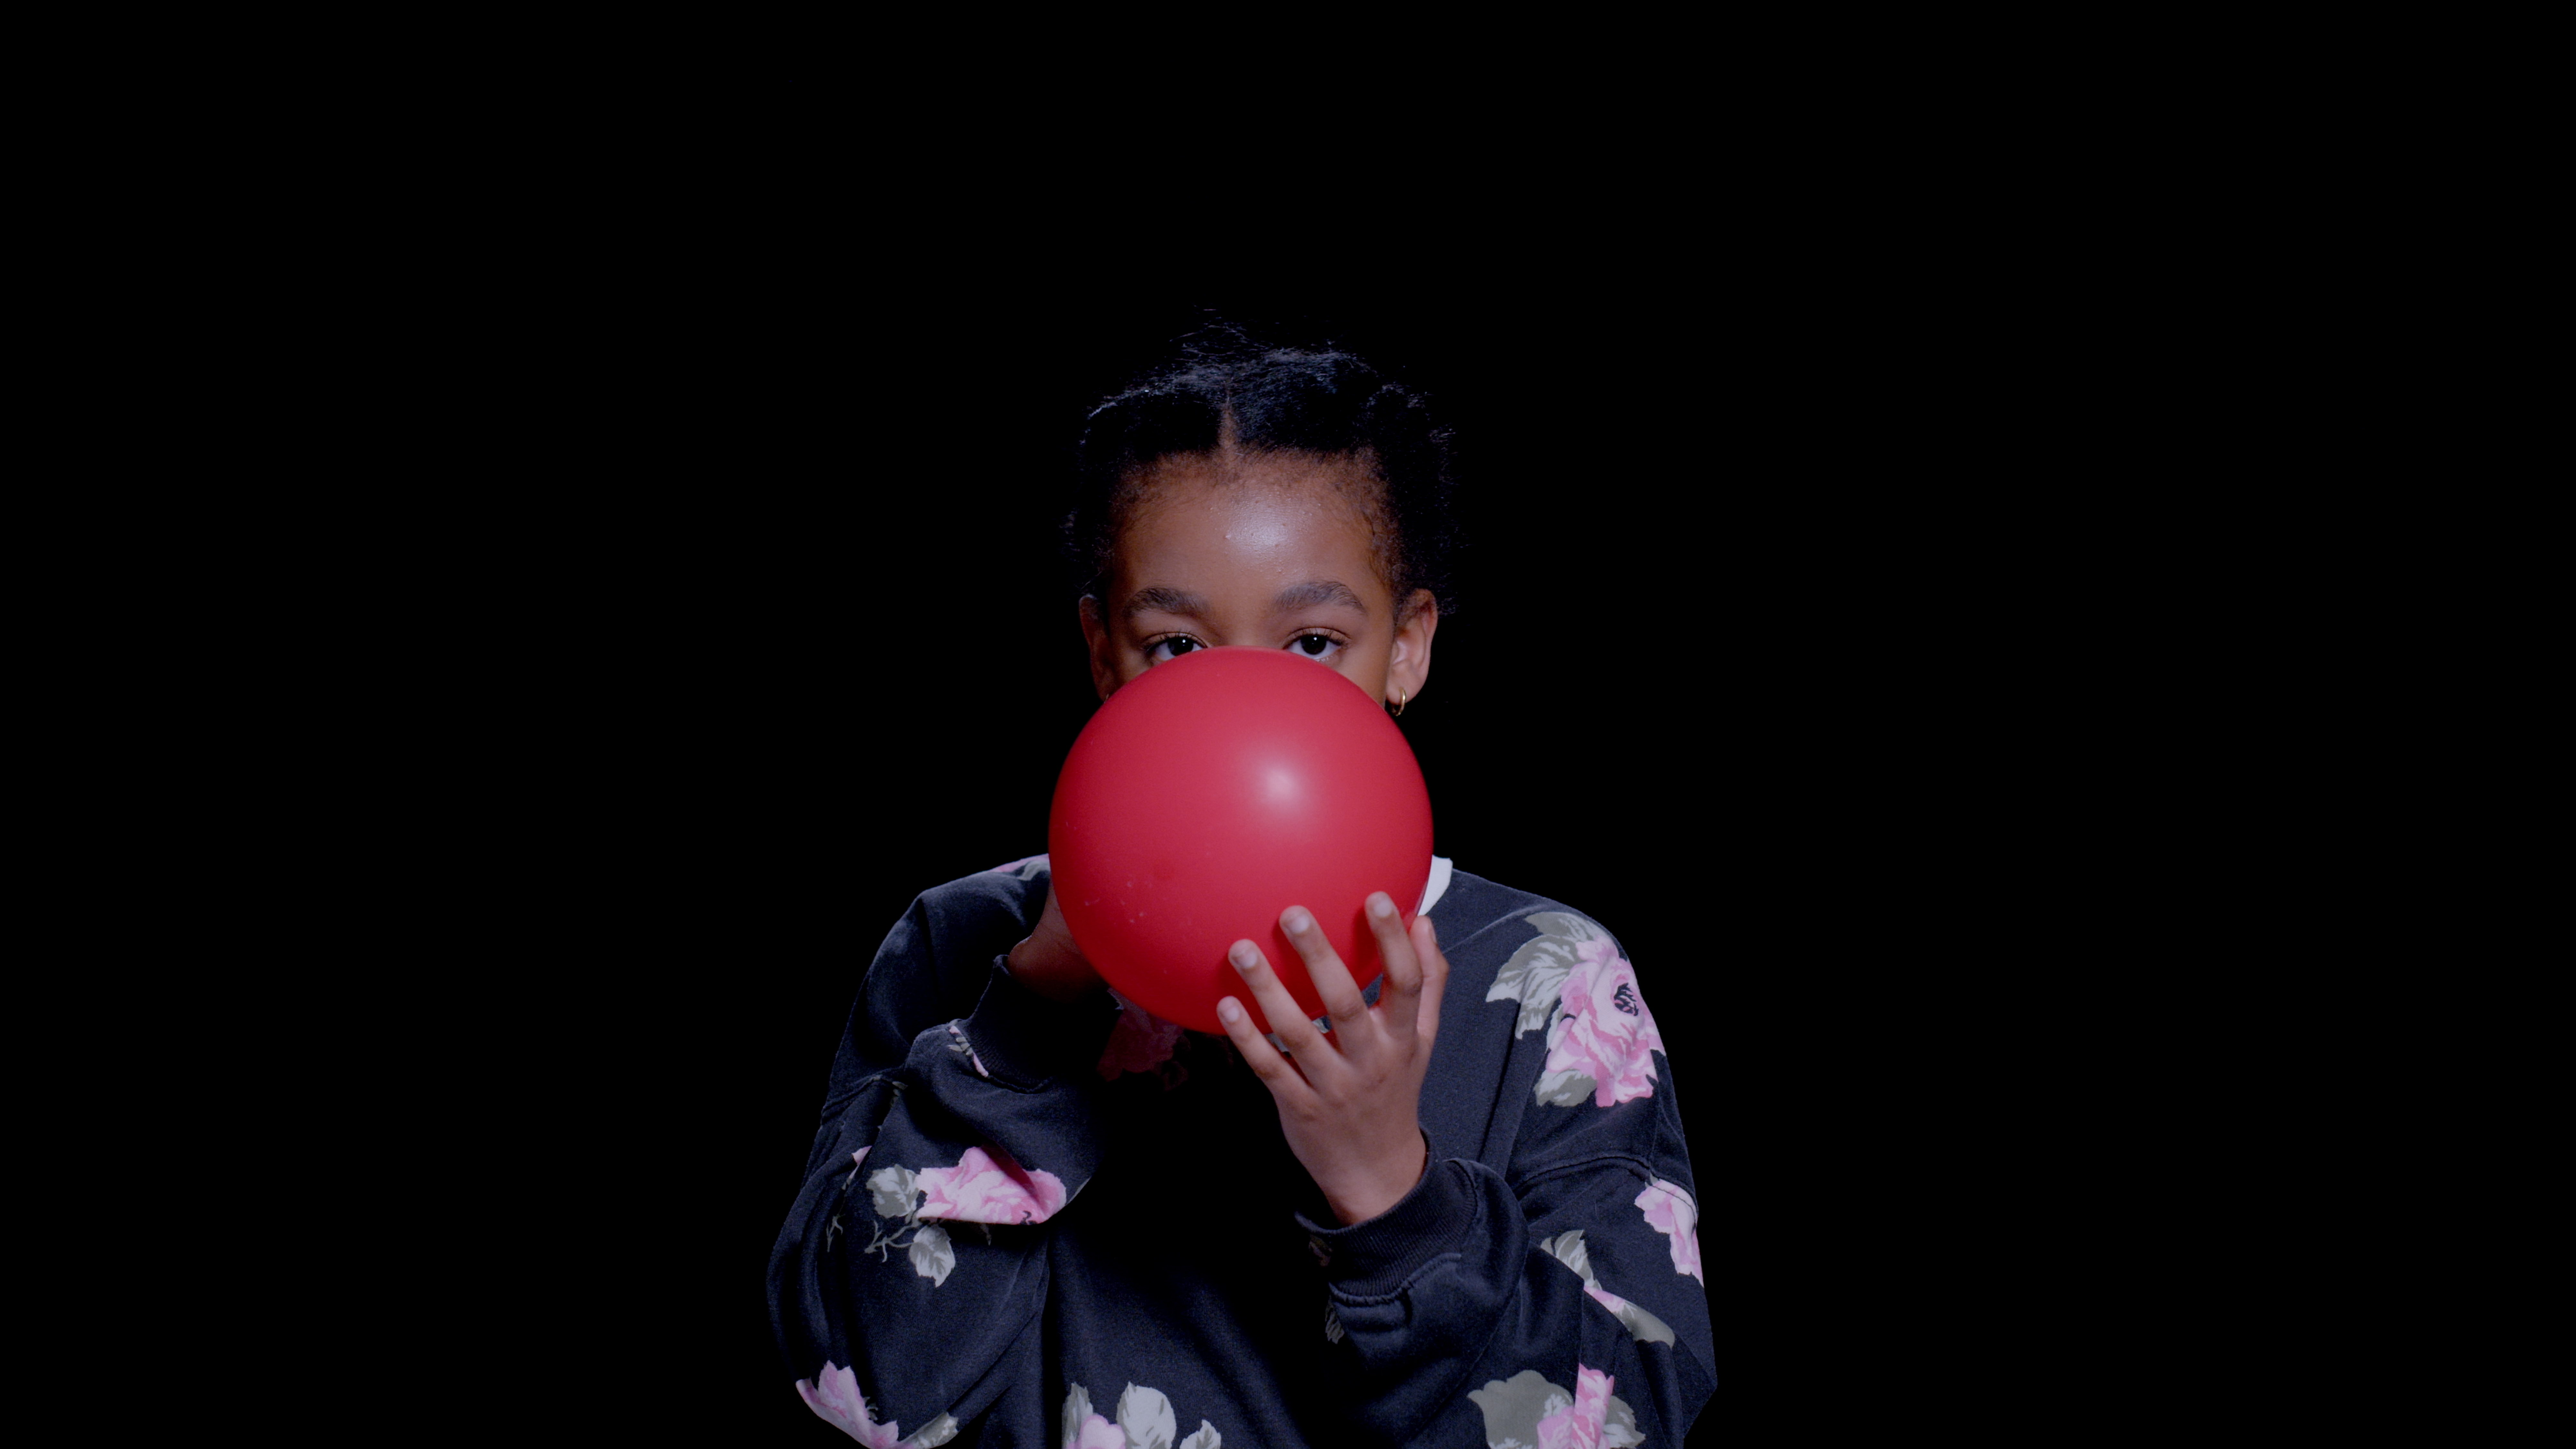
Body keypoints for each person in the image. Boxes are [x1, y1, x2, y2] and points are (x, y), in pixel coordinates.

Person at [769, 340, 1714, 1446]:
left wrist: (1390, 1188)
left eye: (1313, 641)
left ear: (1407, 648)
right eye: (1175, 644)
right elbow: (865, 1392)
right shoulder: (963, 941)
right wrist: (1029, 1017)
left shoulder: (1549, 980)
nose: (1240, 702)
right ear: (1102, 654)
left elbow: (1627, 1426)